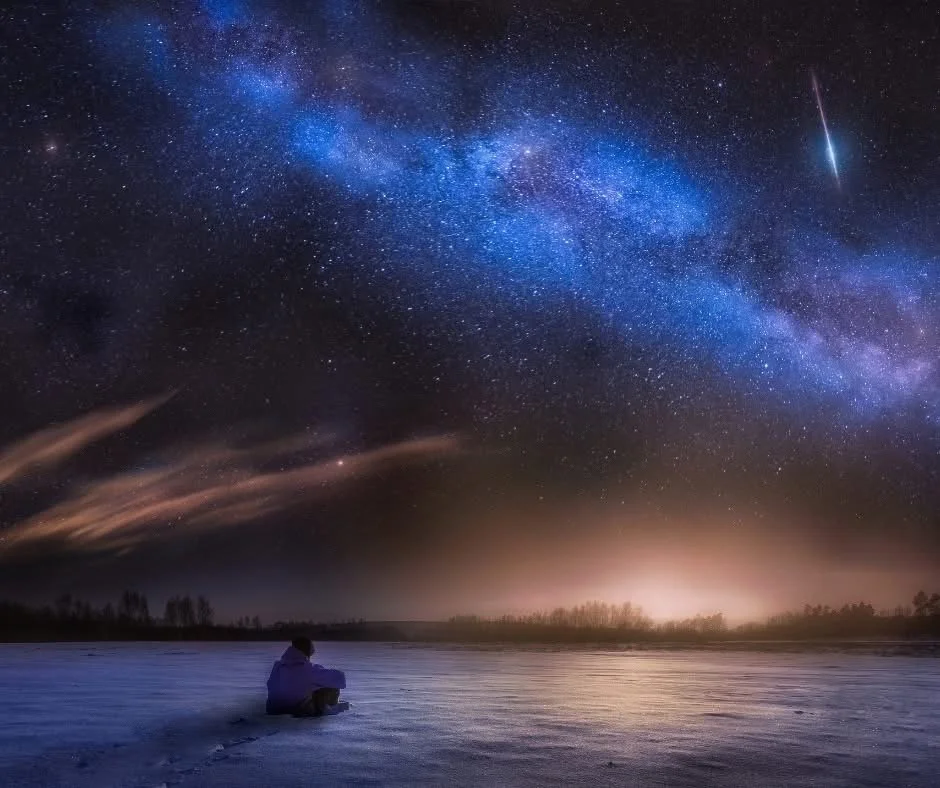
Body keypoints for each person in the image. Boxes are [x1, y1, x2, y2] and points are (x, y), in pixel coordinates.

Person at [266, 636, 346, 716]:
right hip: (295, 711)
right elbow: (340, 678)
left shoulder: (277, 666)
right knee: (330, 687)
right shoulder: (308, 669)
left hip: (272, 709)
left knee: (312, 685)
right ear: (309, 650)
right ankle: (329, 711)